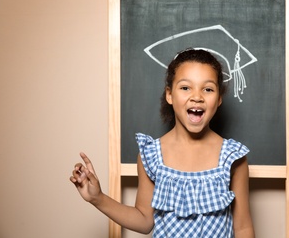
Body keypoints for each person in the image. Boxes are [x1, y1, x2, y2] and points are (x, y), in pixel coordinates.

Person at [70, 49, 255, 237]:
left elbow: (243, 227)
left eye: (208, 89)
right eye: (185, 87)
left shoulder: (233, 157)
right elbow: (144, 220)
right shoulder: (151, 155)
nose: (197, 96)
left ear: (219, 98)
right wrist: (97, 198)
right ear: (169, 95)